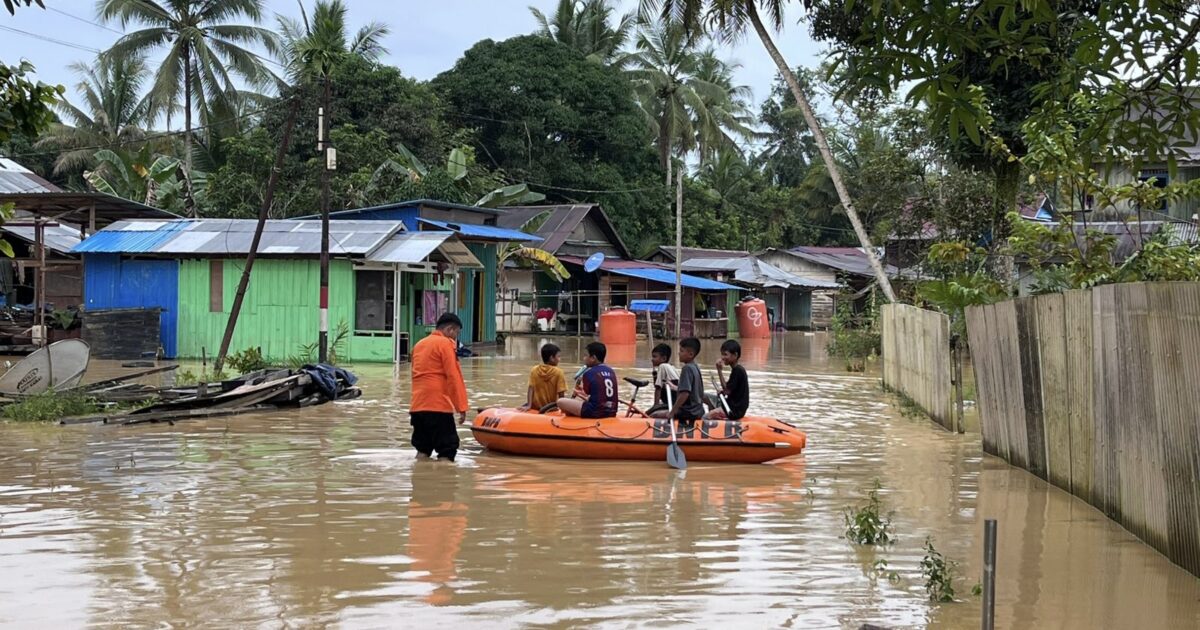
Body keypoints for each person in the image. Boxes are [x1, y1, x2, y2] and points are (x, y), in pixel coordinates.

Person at [409, 313, 469, 462]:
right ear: (450, 330)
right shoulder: (445, 344)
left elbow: (414, 375)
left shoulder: (419, 345)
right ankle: (444, 482)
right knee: (447, 451)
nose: (456, 337)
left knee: (422, 450)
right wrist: (461, 407)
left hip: (417, 407)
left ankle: (419, 480)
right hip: (438, 406)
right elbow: (453, 377)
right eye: (457, 333)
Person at [557, 342, 619, 418]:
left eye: (586, 355)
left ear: (593, 358)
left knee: (560, 401)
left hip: (594, 411)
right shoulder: (611, 371)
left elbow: (587, 392)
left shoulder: (588, 373)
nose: (584, 358)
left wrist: (581, 391)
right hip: (612, 411)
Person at [666, 337, 705, 423]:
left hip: (689, 412)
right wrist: (673, 386)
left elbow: (685, 393)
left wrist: (672, 412)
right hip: (698, 410)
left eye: (681, 351)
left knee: (655, 414)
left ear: (690, 354)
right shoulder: (695, 367)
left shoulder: (686, 368)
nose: (679, 353)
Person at [519, 342, 567, 412]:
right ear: (552, 358)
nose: (560, 359)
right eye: (558, 356)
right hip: (550, 408)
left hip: (535, 406)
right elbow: (561, 394)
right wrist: (563, 409)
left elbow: (530, 388)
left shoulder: (534, 370)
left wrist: (529, 405)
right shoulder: (559, 372)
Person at [708, 339, 749, 420]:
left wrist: (723, 391)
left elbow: (726, 391)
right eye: (722, 354)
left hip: (733, 410)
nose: (722, 357)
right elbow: (727, 388)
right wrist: (719, 370)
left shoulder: (738, 371)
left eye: (725, 354)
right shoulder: (736, 369)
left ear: (735, 355)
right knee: (704, 397)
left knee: (706, 416)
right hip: (729, 404)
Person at [647, 343, 678, 417]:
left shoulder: (662, 366)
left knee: (649, 414)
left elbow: (658, 388)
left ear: (664, 358)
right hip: (674, 401)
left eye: (655, 357)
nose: (652, 359)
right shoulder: (672, 367)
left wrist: (655, 406)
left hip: (672, 402)